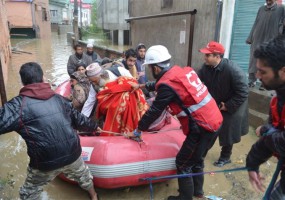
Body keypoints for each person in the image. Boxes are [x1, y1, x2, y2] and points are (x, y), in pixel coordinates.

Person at [130, 45, 223, 200]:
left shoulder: (167, 85)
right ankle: (198, 193)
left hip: (201, 128)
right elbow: (166, 85)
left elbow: (154, 111)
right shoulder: (182, 71)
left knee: (183, 162)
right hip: (215, 121)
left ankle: (185, 198)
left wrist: (139, 129)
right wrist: (142, 85)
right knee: (197, 159)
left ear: (156, 69)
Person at [0, 62, 99, 200]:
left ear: (23, 82)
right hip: (72, 153)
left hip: (45, 162)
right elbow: (80, 120)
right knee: (84, 176)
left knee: (29, 193)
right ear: (43, 78)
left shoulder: (17, 106)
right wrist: (95, 127)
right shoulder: (60, 100)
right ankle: (94, 196)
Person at [198, 41, 249, 167]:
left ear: (217, 56)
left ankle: (226, 157)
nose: (205, 57)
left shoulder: (232, 69)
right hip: (218, 101)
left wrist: (228, 105)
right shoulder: (206, 68)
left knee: (227, 131)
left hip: (234, 103)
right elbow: (196, 79)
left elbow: (243, 91)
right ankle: (200, 154)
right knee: (210, 127)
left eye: (207, 55)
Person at [246, 35, 285, 199]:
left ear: (283, 70)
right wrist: (253, 163)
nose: (258, 76)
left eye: (263, 72)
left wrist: (267, 131)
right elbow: (275, 134)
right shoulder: (277, 101)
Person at [246, 0, 284, 89]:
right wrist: (250, 38)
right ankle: (251, 80)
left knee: (268, 62)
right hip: (258, 38)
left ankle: (264, 83)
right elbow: (256, 23)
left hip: (271, 39)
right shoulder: (261, 9)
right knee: (253, 60)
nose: (268, 1)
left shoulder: (281, 9)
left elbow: (282, 24)